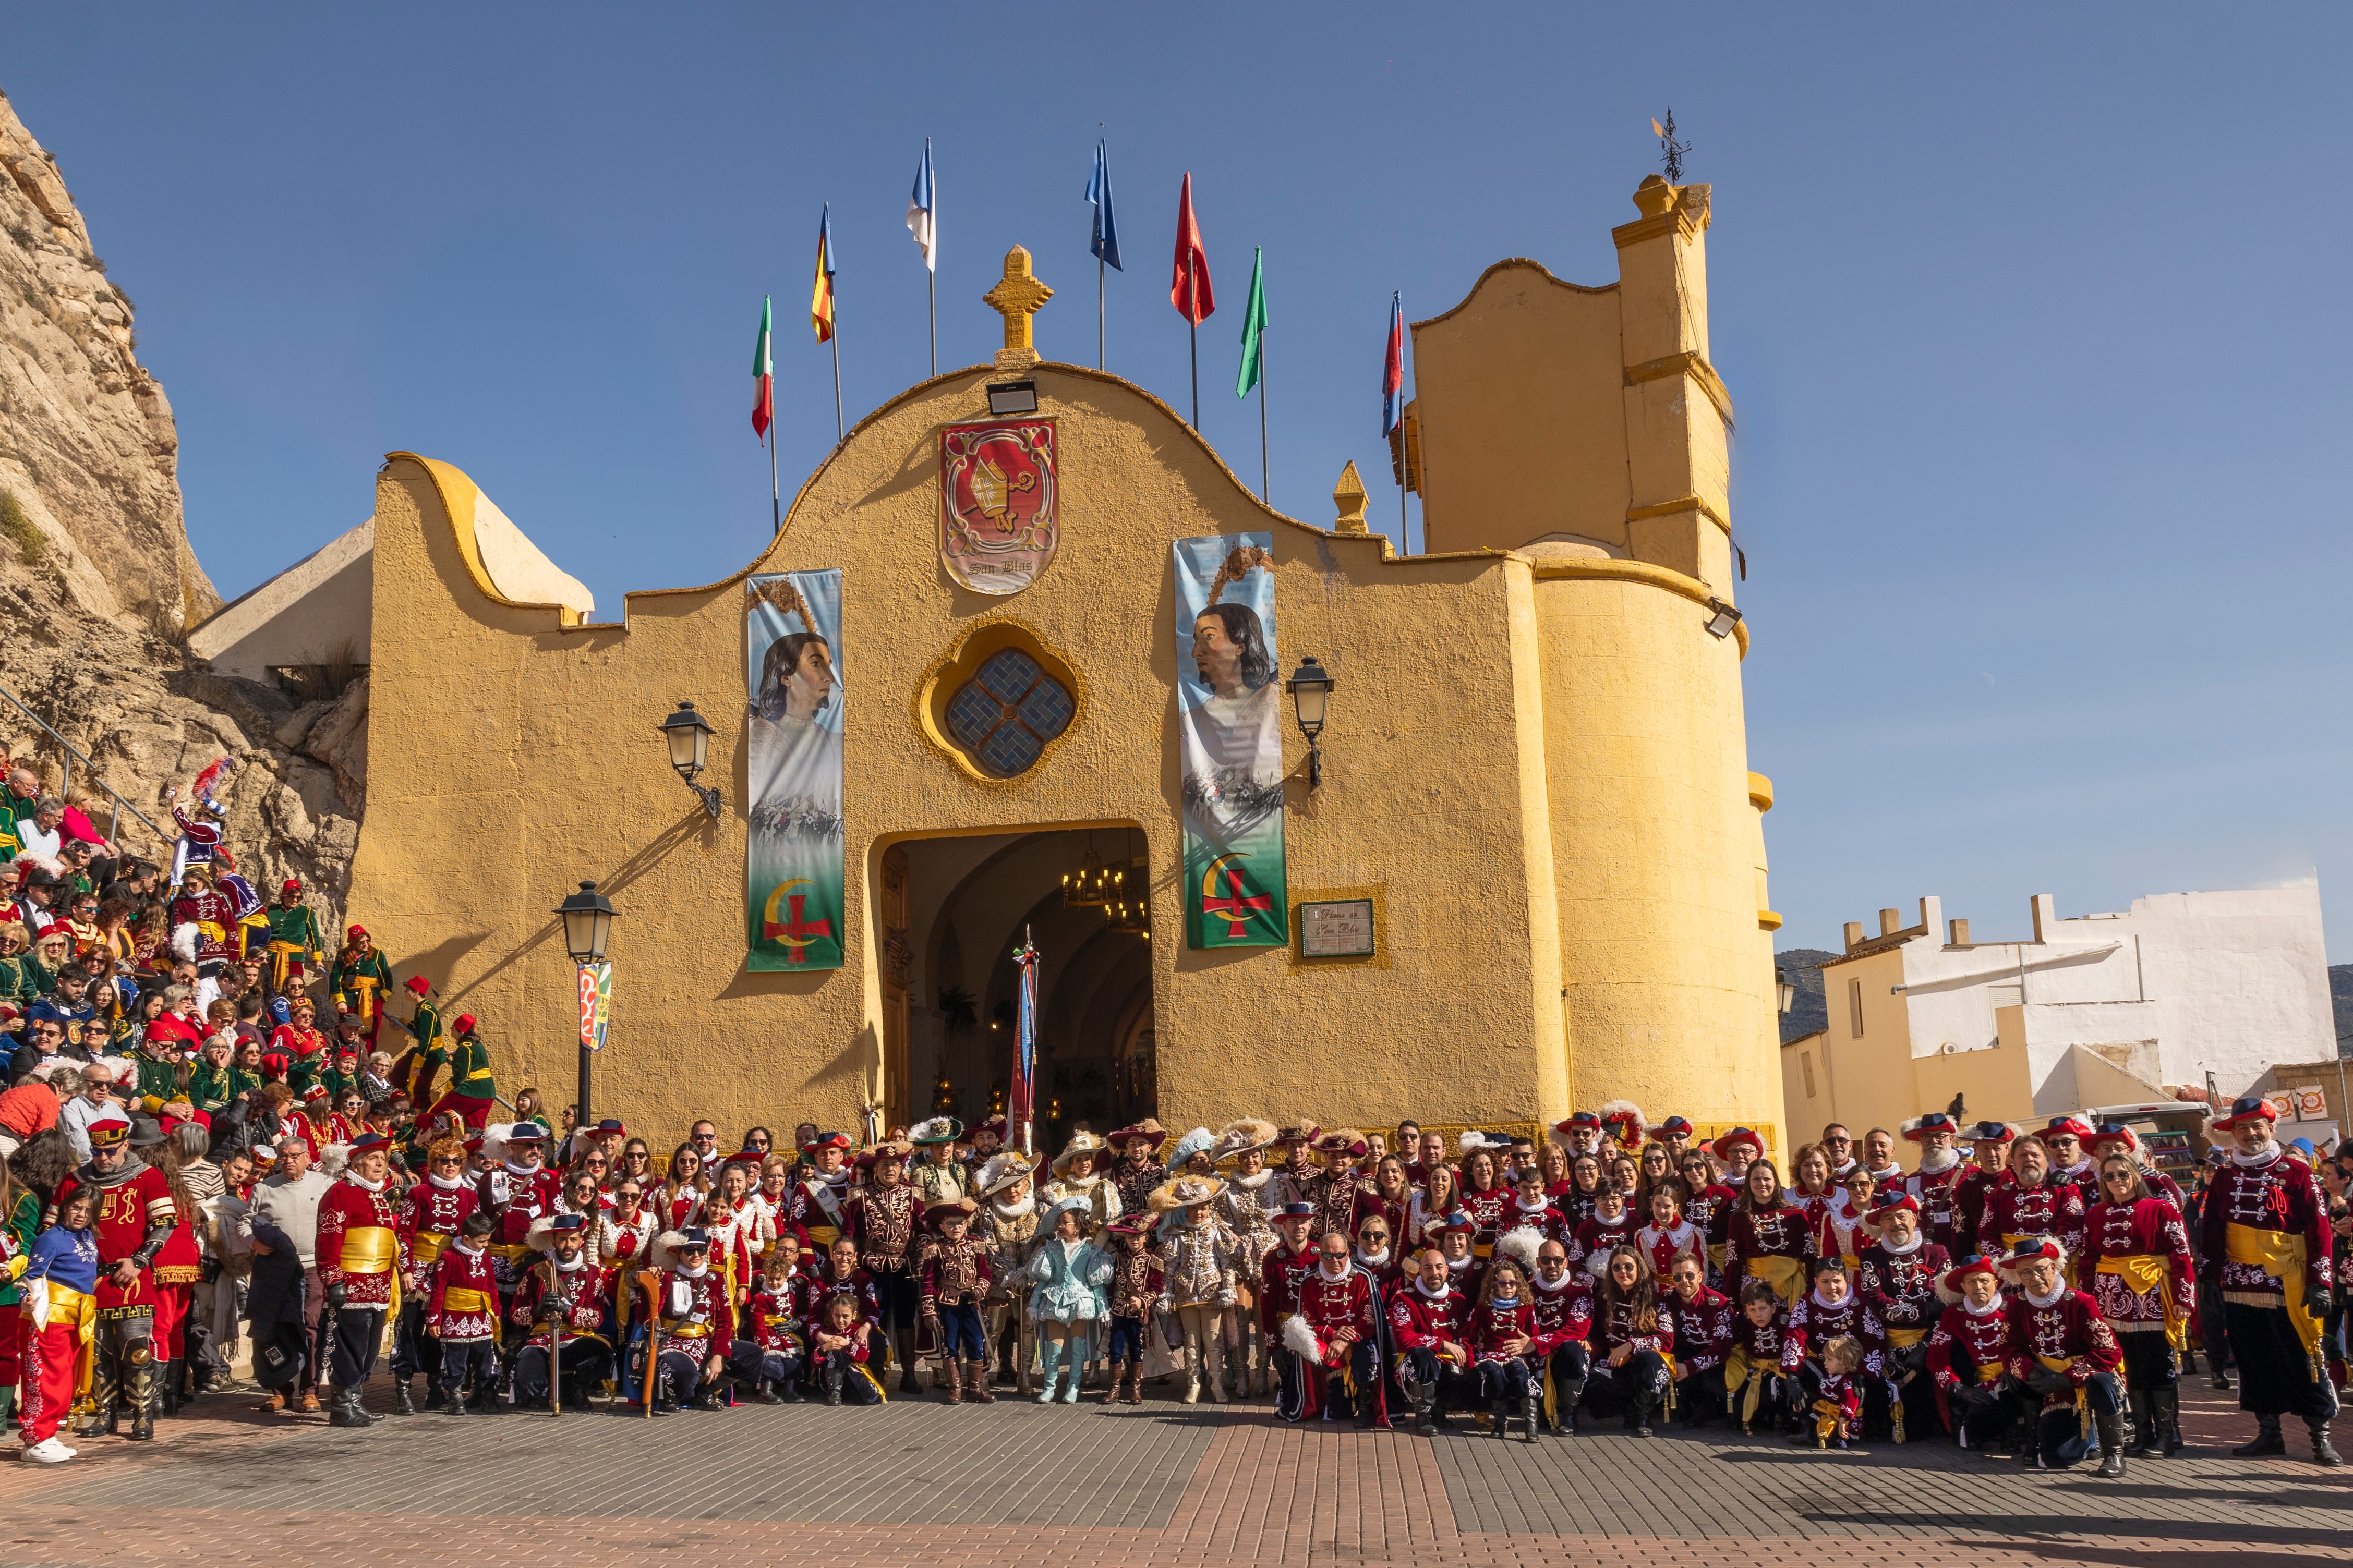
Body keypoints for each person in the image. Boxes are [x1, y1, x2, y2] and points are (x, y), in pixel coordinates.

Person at [2197, 1096, 2339, 1466]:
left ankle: (2318, 1435)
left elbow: (2319, 1229)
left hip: (2288, 1280)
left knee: (2301, 1355)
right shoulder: (2225, 1176)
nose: (2249, 1133)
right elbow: (2212, 1227)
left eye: (2256, 1125)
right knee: (2253, 1357)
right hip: (2239, 1282)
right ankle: (2268, 1431)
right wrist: (2210, 1277)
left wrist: (2319, 1280)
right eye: (2241, 1127)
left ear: (2271, 1128)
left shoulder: (2297, 1172)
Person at [52, 1108, 176, 1441]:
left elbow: (164, 1223)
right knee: (97, 1352)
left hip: (132, 1279)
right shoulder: (74, 1180)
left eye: (110, 1151)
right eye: (97, 1151)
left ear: (125, 1146)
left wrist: (138, 1260)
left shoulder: (147, 1176)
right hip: (85, 1280)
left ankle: (142, 1416)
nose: (103, 1157)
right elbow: (52, 1227)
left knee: (137, 1352)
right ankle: (105, 1415)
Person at [2083, 1152, 2194, 1457]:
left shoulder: (2161, 1209)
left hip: (2153, 1297)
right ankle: (2143, 1433)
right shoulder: (2096, 1214)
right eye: (2110, 1176)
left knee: (2159, 1364)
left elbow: (2181, 1256)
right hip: (2111, 1300)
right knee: (2130, 1366)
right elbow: (2087, 1261)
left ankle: (2167, 1436)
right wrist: (2086, 1303)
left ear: (2135, 1175)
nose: (2117, 1181)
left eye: (2123, 1174)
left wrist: (2184, 1299)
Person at [2001, 1236, 2128, 1476]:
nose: (2034, 1278)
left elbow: (2109, 1351)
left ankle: (2114, 1453)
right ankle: (2041, 1438)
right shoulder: (2017, 1305)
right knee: (2055, 1457)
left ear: (2053, 1268)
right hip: (2050, 1384)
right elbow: (2008, 1349)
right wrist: (2030, 1370)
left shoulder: (2081, 1302)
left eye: (2040, 1269)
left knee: (2104, 1382)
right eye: (2026, 1273)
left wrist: (2068, 1377)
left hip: (2086, 1379)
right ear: (2018, 1276)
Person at [240, 1131, 332, 1414]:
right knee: (274, 1329)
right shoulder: (264, 1189)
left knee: (310, 1327)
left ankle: (310, 1391)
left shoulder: (327, 1184)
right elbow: (244, 1224)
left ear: (307, 1158)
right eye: (283, 1156)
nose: (288, 1161)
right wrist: (253, 1242)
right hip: (276, 1270)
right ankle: (281, 1390)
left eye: (294, 1156)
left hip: (312, 1267)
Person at [13, 1181, 97, 1464]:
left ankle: (48, 1434)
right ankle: (34, 1438)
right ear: (65, 1207)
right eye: (76, 1207)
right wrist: (26, 1298)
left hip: (76, 1319)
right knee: (44, 1378)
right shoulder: (50, 1238)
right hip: (48, 1318)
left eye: (87, 1210)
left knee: (63, 1380)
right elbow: (32, 1274)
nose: (80, 1214)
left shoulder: (88, 1238)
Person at [1855, 1192, 1949, 1443]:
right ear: (1881, 1225)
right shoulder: (1870, 1258)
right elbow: (1876, 1302)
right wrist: (1926, 1310)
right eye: (1888, 1218)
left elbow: (1948, 1303)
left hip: (1929, 1342)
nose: (1896, 1223)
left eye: (1901, 1216)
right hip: (1886, 1344)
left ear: (1914, 1218)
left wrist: (1927, 1344)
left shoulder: (1937, 1253)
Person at [510, 1211, 616, 1411]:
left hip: (577, 1337)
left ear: (581, 1241)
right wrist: (537, 1309)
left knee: (602, 1355)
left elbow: (597, 1316)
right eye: (563, 1240)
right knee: (527, 1378)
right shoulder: (536, 1272)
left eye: (573, 1240)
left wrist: (568, 1310)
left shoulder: (592, 1273)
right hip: (542, 1339)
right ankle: (549, 1388)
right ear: (553, 1241)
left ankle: (577, 1387)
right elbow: (515, 1312)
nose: (568, 1245)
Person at [845, 1139, 925, 1393]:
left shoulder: (914, 1194)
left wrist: (923, 1252)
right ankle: (876, 1370)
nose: (890, 1169)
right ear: (875, 1169)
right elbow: (849, 1232)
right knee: (873, 1318)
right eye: (884, 1165)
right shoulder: (860, 1195)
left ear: (901, 1168)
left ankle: (910, 1374)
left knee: (905, 1320)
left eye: (894, 1165)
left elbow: (922, 1229)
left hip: (904, 1267)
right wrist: (851, 1261)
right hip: (871, 1267)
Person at [1152, 1172, 1238, 1404]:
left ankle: (1217, 1385)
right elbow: (1171, 1266)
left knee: (1213, 1341)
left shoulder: (1218, 1231)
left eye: (1203, 1208)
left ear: (1210, 1208)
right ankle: (1193, 1385)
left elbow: (1226, 1263)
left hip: (1212, 1291)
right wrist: (1167, 1292)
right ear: (1186, 1210)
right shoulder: (1177, 1233)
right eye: (1193, 1208)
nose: (1198, 1213)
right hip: (1185, 1292)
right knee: (1191, 1342)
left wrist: (1227, 1288)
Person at [1284, 1226, 1382, 1426]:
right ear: (1320, 1256)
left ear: (1348, 1254)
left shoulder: (1363, 1278)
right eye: (1328, 1255)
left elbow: (1370, 1320)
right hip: (1325, 1343)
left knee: (1366, 1350)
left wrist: (1345, 1339)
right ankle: (1326, 1400)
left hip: (1358, 1341)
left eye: (1339, 1255)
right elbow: (1307, 1323)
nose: (1334, 1261)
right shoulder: (1310, 1282)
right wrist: (1332, 1334)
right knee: (1339, 1413)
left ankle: (1365, 1407)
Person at [1781, 1256, 1884, 1445]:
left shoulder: (1861, 1303)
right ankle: (1808, 1428)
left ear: (1846, 1279)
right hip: (1820, 1364)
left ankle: (1860, 1428)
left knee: (1872, 1384)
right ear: (1816, 1282)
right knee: (1798, 1378)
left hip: (1852, 1367)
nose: (1832, 1287)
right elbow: (1795, 1335)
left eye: (1837, 1281)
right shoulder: (1806, 1302)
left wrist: (1862, 1373)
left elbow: (1875, 1340)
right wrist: (1792, 1376)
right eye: (1825, 1282)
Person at [1027, 1193, 1111, 1404]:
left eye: (1065, 1223)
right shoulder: (1052, 1250)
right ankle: (1049, 1387)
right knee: (1053, 1347)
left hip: (1081, 1303)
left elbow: (1097, 1285)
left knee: (1077, 1346)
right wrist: (1034, 1305)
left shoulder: (1092, 1252)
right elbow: (1043, 1281)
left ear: (1079, 1225)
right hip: (1055, 1301)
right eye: (1059, 1223)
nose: (1061, 1227)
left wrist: (1103, 1308)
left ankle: (1073, 1387)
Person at [1584, 1245, 1674, 1436]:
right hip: (1614, 1365)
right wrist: (1590, 1345)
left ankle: (1644, 1416)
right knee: (1592, 1382)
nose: (1622, 1272)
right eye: (1616, 1268)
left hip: (1645, 1367)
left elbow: (1666, 1339)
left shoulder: (1657, 1300)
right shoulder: (1602, 1300)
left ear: (1639, 1269)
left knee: (1649, 1358)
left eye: (1628, 1267)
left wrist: (1632, 1345)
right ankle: (1628, 1407)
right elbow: (1598, 1337)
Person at [646, 1224, 731, 1413]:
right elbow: (647, 1317)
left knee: (751, 1356)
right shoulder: (667, 1278)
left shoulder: (716, 1279)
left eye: (701, 1250)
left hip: (705, 1340)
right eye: (690, 1250)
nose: (696, 1255)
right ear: (680, 1253)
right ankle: (673, 1394)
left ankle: (705, 1392)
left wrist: (718, 1355)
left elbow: (725, 1321)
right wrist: (652, 1284)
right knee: (684, 1372)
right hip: (674, 1341)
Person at [917, 1195, 993, 1403]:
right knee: (950, 1345)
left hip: (971, 1302)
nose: (956, 1228)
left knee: (976, 1343)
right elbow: (928, 1282)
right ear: (942, 1227)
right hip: (946, 1304)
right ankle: (955, 1388)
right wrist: (929, 1311)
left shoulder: (977, 1245)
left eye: (960, 1223)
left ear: (967, 1225)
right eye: (951, 1224)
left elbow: (985, 1274)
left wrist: (980, 1290)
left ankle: (976, 1388)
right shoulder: (934, 1249)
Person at [1467, 1251, 1540, 1442]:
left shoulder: (1526, 1306)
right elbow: (1469, 1334)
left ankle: (1531, 1424)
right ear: (1494, 1284)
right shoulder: (1484, 1306)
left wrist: (1528, 1344)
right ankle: (1500, 1421)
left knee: (1521, 1374)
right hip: (1490, 1355)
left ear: (1519, 1284)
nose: (1508, 1287)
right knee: (1494, 1374)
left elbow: (1536, 1335)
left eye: (1513, 1283)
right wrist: (1474, 1350)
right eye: (1502, 1283)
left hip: (1515, 1356)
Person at [1664, 1249, 1734, 1429]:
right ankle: (1692, 1405)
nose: (1684, 1282)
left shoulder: (1717, 1303)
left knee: (1711, 1381)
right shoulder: (1667, 1298)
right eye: (1678, 1277)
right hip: (1686, 1352)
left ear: (1700, 1276)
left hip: (1719, 1358)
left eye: (1689, 1275)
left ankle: (1717, 1407)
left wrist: (1691, 1367)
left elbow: (1723, 1349)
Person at [1101, 1217, 1162, 1406]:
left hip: (1139, 1314)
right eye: (1130, 1236)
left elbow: (1157, 1288)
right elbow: (1110, 1286)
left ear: (1146, 1237)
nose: (1134, 1240)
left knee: (1137, 1350)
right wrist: (1107, 1307)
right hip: (1119, 1312)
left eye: (1139, 1236)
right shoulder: (1117, 1258)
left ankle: (1136, 1389)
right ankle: (1114, 1389)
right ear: (1125, 1238)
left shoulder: (1153, 1260)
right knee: (1115, 1350)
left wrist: (1142, 1300)